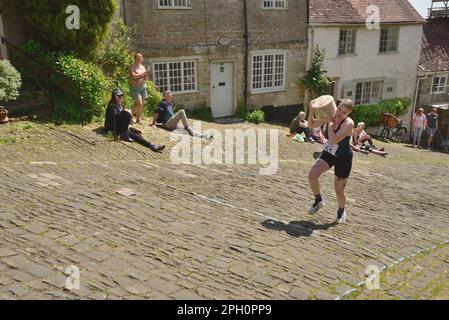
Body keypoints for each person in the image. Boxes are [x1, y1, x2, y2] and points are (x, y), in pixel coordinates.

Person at [307, 97, 355, 224]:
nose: (340, 113)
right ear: (337, 106)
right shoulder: (332, 114)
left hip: (343, 157)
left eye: (344, 112)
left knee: (338, 189)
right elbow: (311, 125)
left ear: (348, 114)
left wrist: (330, 123)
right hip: (329, 152)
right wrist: (312, 110)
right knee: (312, 175)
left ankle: (341, 211)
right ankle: (318, 201)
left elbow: (333, 140)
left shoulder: (348, 124)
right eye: (339, 109)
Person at [129, 53, 150, 125]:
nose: (139, 60)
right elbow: (133, 76)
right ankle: (129, 117)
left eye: (140, 58)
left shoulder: (143, 67)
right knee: (139, 104)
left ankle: (138, 119)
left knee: (140, 104)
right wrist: (142, 74)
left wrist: (146, 76)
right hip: (135, 87)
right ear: (135, 59)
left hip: (143, 87)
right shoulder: (132, 67)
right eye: (137, 58)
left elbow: (146, 78)